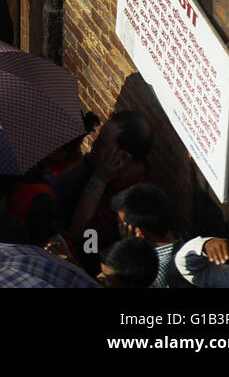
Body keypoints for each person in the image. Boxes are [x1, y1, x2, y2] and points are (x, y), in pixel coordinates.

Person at [59, 109, 154, 277]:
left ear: (124, 158)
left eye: (102, 144)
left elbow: (78, 233)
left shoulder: (132, 199)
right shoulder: (102, 163)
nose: (94, 145)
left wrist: (99, 179)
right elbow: (58, 186)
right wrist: (89, 160)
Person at [110, 183, 188, 288]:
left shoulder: (154, 275)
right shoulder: (185, 245)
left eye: (121, 224)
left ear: (139, 232)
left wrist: (130, 249)